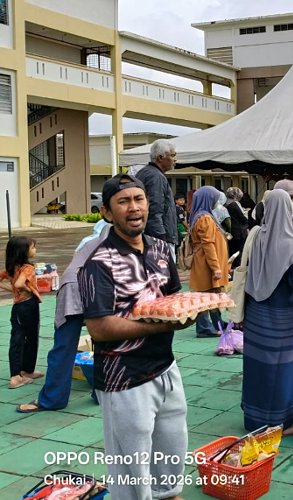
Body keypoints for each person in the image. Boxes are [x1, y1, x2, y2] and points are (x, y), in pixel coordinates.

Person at [79, 173, 192, 499]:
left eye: (138, 199)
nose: (133, 208)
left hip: (166, 367)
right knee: (131, 465)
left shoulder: (159, 250)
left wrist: (186, 312)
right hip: (123, 376)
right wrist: (163, 325)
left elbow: (174, 299)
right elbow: (99, 328)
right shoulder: (98, 262)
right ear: (107, 212)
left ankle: (169, 494)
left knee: (172, 448)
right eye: (123, 201)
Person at [243, 189, 293, 434]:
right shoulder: (289, 243)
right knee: (283, 367)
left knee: (258, 366)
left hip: (256, 314)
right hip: (281, 316)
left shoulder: (257, 236)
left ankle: (255, 421)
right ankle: (281, 423)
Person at [17, 220, 111, 413]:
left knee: (72, 345)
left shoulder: (95, 237)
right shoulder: (114, 236)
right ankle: (63, 397)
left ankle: (60, 397)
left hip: (90, 286)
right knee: (74, 345)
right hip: (80, 287)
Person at [1, 236, 42, 389]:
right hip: (29, 306)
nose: (35, 250)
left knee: (17, 339)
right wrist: (28, 288)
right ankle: (22, 373)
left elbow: (10, 282)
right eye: (33, 247)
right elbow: (19, 283)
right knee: (31, 338)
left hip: (17, 307)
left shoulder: (12, 268)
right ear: (23, 251)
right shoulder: (27, 268)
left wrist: (12, 289)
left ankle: (19, 373)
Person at [189, 186, 230, 338]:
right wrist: (216, 267)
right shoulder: (204, 218)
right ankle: (204, 327)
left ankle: (217, 323)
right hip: (206, 264)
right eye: (214, 198)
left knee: (213, 294)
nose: (216, 201)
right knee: (204, 296)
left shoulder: (203, 215)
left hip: (207, 263)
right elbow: (208, 244)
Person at [135, 139, 179, 246]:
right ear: (160, 157)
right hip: (158, 240)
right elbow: (154, 212)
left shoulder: (145, 172)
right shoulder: (156, 177)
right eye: (173, 155)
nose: (175, 159)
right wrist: (161, 239)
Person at [225, 187, 249, 267]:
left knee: (232, 250)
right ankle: (237, 268)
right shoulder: (235, 204)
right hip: (239, 232)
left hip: (232, 231)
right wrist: (246, 214)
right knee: (238, 251)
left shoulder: (226, 204)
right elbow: (243, 219)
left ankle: (231, 267)